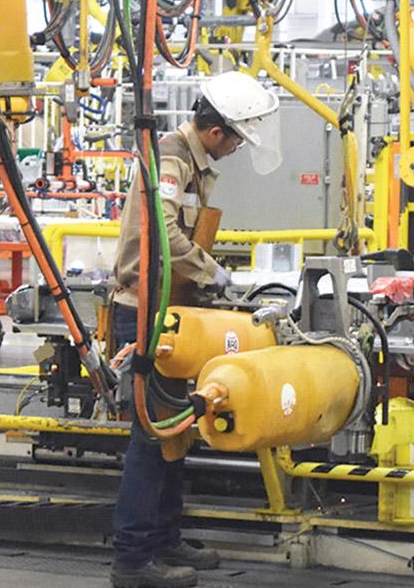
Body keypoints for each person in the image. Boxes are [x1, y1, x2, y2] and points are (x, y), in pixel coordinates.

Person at [109, 72, 281, 588]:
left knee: (174, 434)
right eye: (235, 139)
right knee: (151, 438)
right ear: (215, 132)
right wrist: (211, 272)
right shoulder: (172, 157)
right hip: (146, 311)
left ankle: (165, 540)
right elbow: (162, 230)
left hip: (173, 311)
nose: (236, 149)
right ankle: (133, 561)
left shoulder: (192, 161)